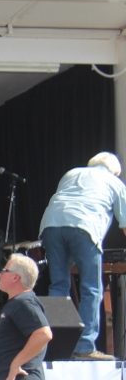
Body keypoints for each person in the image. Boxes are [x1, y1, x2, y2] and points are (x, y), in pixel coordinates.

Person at [38, 152, 126, 360]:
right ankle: (85, 347)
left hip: (51, 225)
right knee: (91, 288)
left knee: (59, 285)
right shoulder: (114, 181)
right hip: (84, 227)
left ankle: (57, 345)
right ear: (115, 171)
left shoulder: (71, 173)